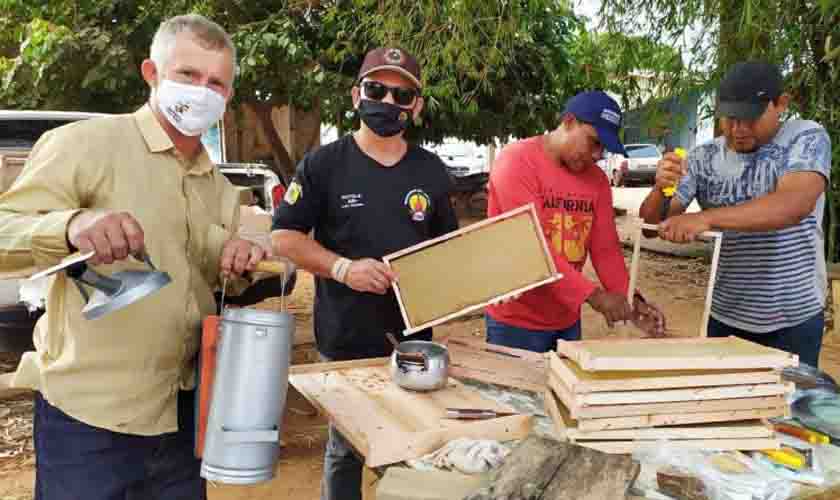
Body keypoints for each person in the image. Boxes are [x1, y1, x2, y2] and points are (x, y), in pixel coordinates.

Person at [0, 14, 265, 499]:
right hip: (89, 421)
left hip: (183, 417)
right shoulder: (85, 145)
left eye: (216, 83)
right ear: (152, 73)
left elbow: (212, 283)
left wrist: (241, 261)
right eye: (188, 74)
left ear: (227, 96)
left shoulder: (220, 188)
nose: (202, 91)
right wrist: (70, 226)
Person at [271, 47, 458, 500]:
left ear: (416, 106)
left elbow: (449, 252)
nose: (389, 102)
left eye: (402, 95)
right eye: (377, 90)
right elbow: (284, 238)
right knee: (345, 450)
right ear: (357, 96)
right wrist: (343, 269)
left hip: (412, 342)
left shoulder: (430, 170)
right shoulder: (323, 165)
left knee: (413, 445)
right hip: (344, 339)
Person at [639, 60, 831, 368]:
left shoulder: (805, 138)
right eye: (729, 118)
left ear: (781, 104)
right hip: (726, 316)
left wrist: (706, 218)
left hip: (794, 319)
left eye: (750, 118)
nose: (738, 130)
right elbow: (651, 225)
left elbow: (793, 204)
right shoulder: (704, 157)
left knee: (789, 400)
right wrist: (661, 189)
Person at [484, 91, 665, 353]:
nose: (597, 155)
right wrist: (595, 297)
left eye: (603, 148)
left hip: (566, 320)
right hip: (515, 322)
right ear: (569, 122)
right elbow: (533, 249)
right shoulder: (517, 162)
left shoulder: (597, 181)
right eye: (593, 142)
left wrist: (632, 300)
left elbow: (606, 250)